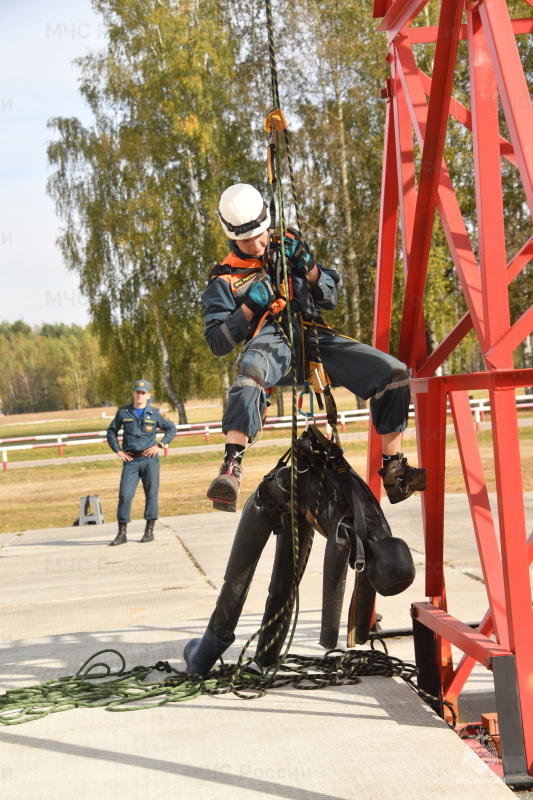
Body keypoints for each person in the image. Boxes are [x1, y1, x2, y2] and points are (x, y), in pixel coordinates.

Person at [202, 183, 426, 511]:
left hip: (314, 335)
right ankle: (231, 466)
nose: (257, 244)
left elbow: (329, 297)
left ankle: (394, 467)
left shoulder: (288, 243)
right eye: (247, 240)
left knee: (393, 372)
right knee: (251, 370)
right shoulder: (223, 277)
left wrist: (310, 268)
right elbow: (218, 342)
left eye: (261, 234)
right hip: (271, 343)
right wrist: (250, 305)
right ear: (232, 235)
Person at [106, 380, 177, 545]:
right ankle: (121, 533)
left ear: (148, 395)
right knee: (125, 495)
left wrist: (160, 445)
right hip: (131, 460)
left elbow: (171, 428)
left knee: (151, 495)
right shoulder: (124, 412)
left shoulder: (155, 413)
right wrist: (118, 450)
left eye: (143, 392)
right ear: (133, 393)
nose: (140, 395)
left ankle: (149, 531)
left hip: (149, 460)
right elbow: (111, 431)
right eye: (138, 392)